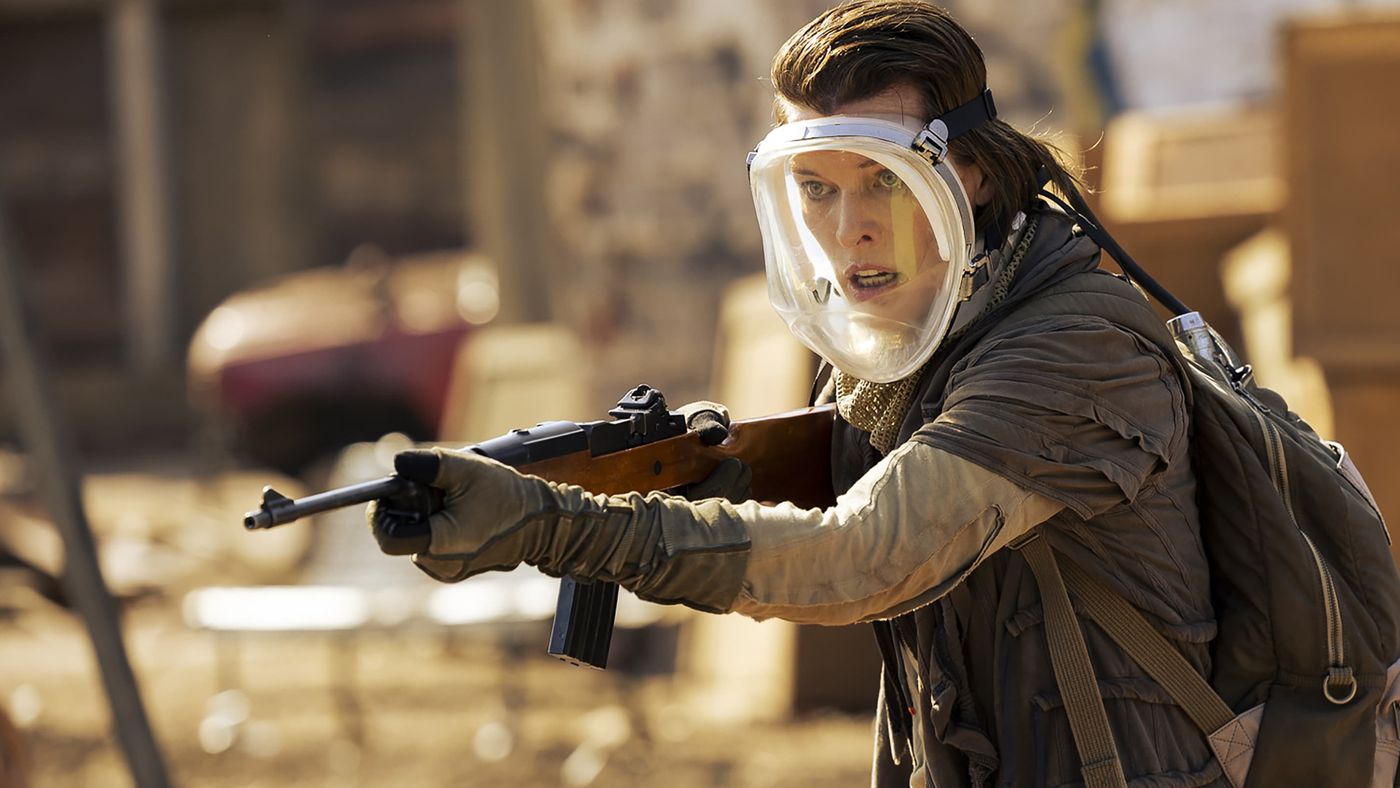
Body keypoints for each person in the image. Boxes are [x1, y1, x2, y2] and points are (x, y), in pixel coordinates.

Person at [369, 2, 1219, 785]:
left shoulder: (1074, 351)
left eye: (886, 179)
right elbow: (844, 485)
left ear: (974, 177)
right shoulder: (912, 345)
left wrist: (558, 526)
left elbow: (865, 555)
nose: (849, 228)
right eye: (815, 187)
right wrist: (713, 478)